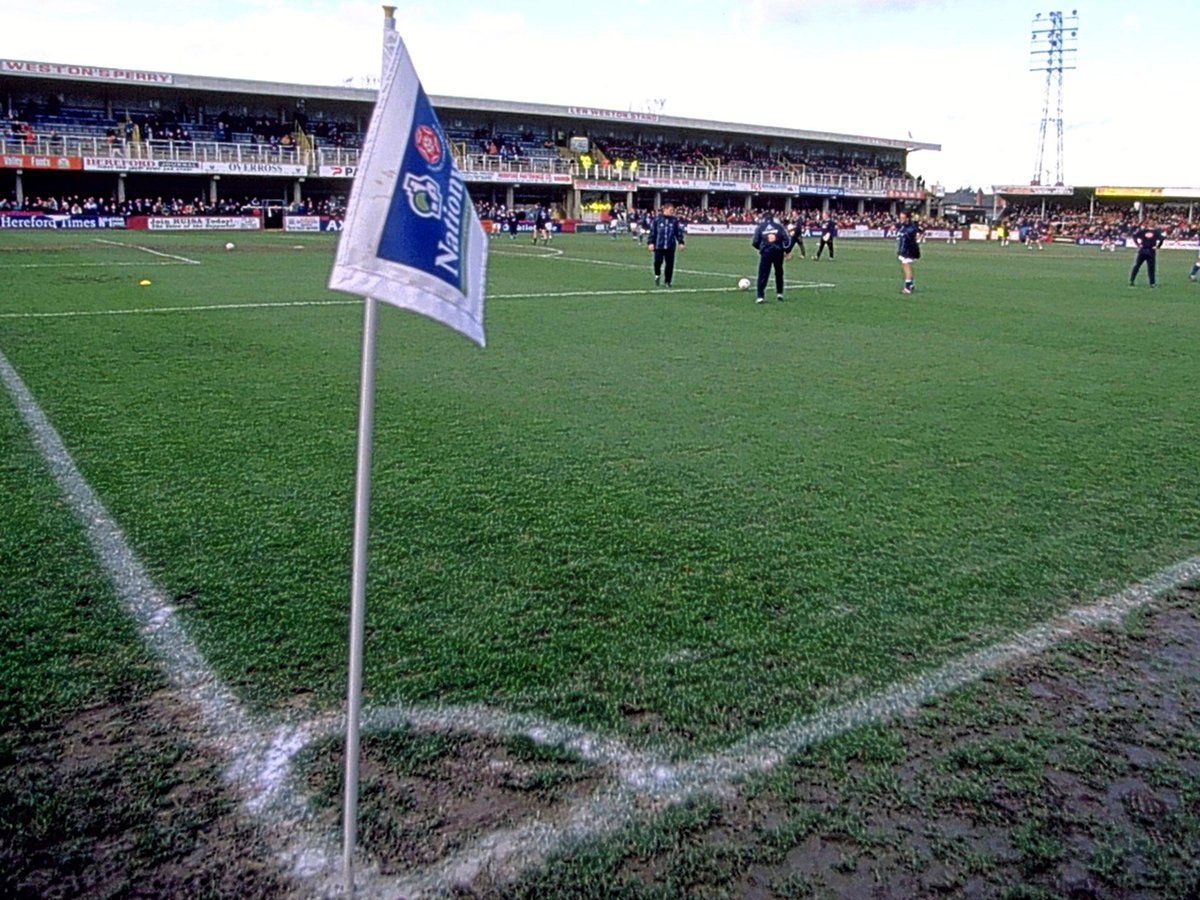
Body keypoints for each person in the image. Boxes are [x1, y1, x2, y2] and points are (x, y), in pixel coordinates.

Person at [751, 210, 792, 303]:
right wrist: (787, 251)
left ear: (764, 218)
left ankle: (760, 296)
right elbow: (786, 239)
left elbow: (754, 242)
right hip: (778, 252)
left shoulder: (760, 227)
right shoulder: (779, 227)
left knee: (763, 274)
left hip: (766, 253)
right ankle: (779, 293)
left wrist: (761, 248)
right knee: (779, 272)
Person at [647, 203, 685, 287]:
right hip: (659, 246)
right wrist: (650, 243)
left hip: (670, 246)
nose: (672, 212)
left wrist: (681, 242)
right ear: (665, 209)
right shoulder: (657, 220)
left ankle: (667, 281)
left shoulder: (674, 220)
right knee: (657, 262)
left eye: (673, 210)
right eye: (671, 210)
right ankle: (657, 275)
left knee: (669, 264)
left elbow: (678, 232)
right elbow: (653, 232)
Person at [895, 210, 923, 295]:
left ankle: (907, 287)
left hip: (909, 250)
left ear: (907, 218)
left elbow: (914, 233)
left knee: (907, 267)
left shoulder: (911, 227)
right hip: (903, 249)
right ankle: (910, 284)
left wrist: (918, 239)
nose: (901, 219)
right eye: (900, 218)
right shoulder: (902, 225)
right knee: (904, 266)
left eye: (903, 218)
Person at [1129, 223, 1164, 288]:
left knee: (1137, 266)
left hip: (1142, 250)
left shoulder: (1143, 231)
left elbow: (1134, 236)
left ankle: (1132, 281)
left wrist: (1138, 244)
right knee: (1151, 268)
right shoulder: (1156, 232)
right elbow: (1162, 239)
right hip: (1151, 251)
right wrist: (1158, 247)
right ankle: (1152, 283)